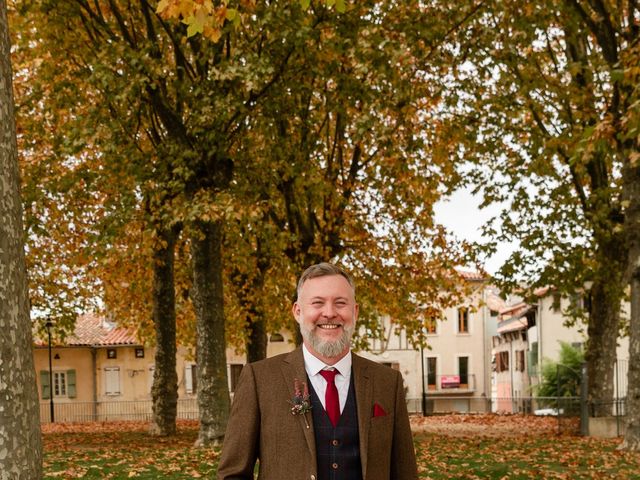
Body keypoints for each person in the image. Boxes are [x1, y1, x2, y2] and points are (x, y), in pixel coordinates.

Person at [217, 262, 418, 480]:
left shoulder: (387, 382)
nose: (330, 313)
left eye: (340, 303)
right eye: (317, 303)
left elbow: (405, 473)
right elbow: (233, 474)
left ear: (355, 311)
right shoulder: (259, 379)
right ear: (298, 311)